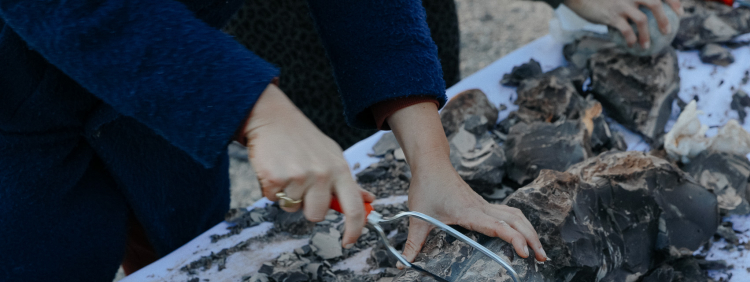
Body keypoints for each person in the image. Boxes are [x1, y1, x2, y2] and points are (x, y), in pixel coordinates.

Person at [0, 0, 546, 282]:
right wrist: (252, 106)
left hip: (172, 91)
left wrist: (432, 165)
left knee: (185, 277)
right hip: (16, 115)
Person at [226, 0, 683, 152]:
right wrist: (254, 105)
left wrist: (429, 153)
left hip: (396, 22)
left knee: (422, 92)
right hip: (284, 34)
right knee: (327, 141)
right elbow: (152, 27)